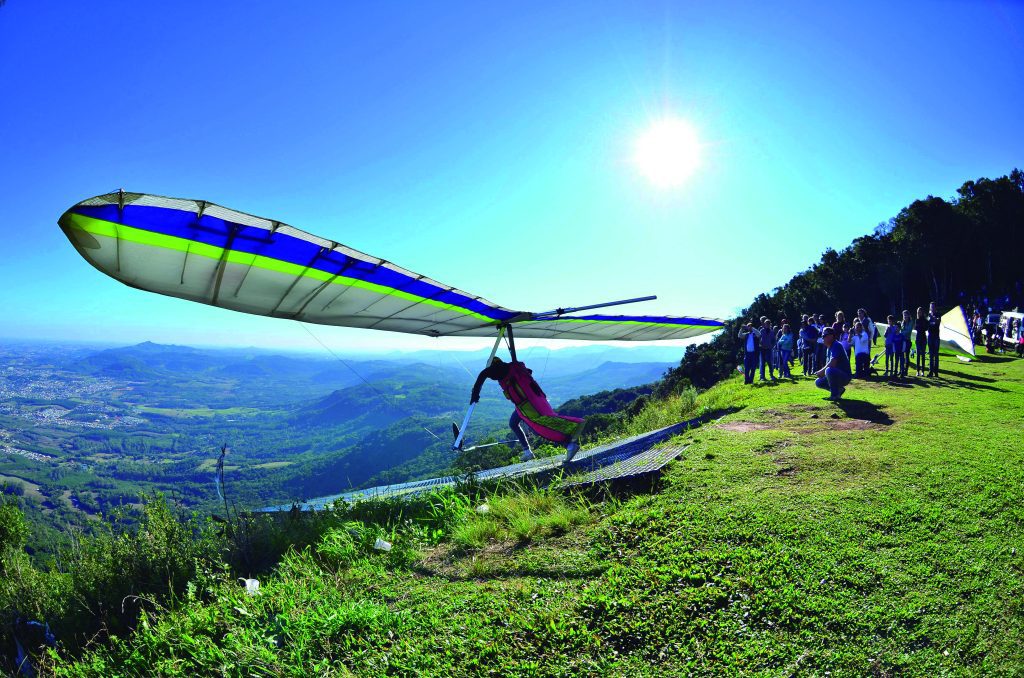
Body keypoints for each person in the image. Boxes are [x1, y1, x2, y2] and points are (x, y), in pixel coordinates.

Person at [471, 356, 584, 460]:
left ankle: (570, 443)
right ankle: (527, 452)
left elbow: (482, 375)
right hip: (533, 399)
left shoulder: (500, 370)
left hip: (528, 405)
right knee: (514, 423)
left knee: (542, 425)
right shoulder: (513, 367)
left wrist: (475, 394)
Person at [815, 327, 851, 401]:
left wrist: (822, 371)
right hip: (836, 374)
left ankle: (834, 395)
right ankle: (839, 390)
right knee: (818, 382)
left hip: (844, 376)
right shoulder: (829, 348)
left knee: (829, 370)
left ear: (831, 336)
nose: (823, 338)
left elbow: (833, 363)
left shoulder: (836, 345)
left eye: (824, 336)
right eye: (822, 336)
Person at [926, 301, 942, 377]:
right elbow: (927, 325)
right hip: (930, 336)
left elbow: (938, 321)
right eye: (930, 307)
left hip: (936, 337)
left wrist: (932, 317)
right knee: (931, 355)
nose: (932, 308)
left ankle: (936, 372)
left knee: (936, 355)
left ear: (935, 307)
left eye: (933, 307)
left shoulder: (938, 314)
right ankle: (930, 371)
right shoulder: (928, 315)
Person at [899, 310, 914, 378]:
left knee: (907, 356)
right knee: (902, 356)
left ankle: (906, 370)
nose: (904, 316)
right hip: (902, 341)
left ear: (908, 315)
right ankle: (901, 370)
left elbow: (908, 331)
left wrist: (901, 333)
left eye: (906, 315)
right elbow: (900, 330)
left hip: (907, 341)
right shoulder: (902, 323)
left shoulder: (911, 322)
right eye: (903, 315)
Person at [914, 306, 928, 376]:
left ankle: (922, 371)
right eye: (918, 312)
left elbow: (925, 328)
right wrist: (921, 326)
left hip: (923, 339)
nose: (919, 313)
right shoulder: (917, 320)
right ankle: (917, 371)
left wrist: (921, 326)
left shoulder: (925, 320)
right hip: (918, 339)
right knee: (918, 356)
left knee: (923, 355)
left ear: (922, 312)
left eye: (920, 312)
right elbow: (916, 328)